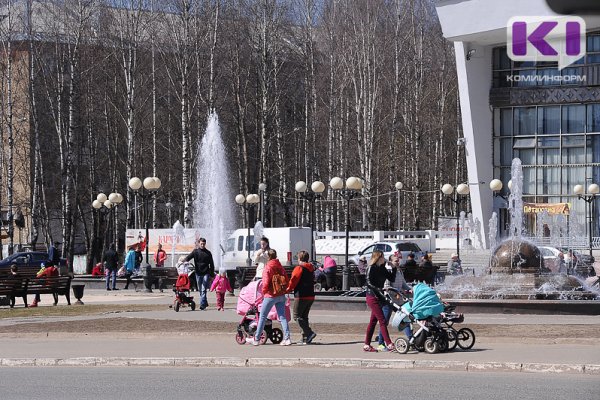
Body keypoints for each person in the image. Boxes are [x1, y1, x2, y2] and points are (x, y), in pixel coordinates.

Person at [247, 249, 292, 346]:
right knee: (282, 317)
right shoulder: (280, 266)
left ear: (268, 257)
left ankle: (256, 339)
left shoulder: (268, 267)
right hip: (280, 294)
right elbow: (286, 279)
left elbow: (266, 282)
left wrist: (264, 292)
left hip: (270, 295)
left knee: (262, 317)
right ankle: (287, 338)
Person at [363, 250, 396, 352]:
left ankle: (366, 345)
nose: (384, 259)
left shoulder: (382, 268)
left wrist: (393, 268)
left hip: (379, 296)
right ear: (378, 258)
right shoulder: (371, 268)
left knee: (373, 322)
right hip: (372, 296)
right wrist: (377, 289)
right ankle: (389, 343)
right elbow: (368, 283)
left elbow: (391, 278)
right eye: (382, 257)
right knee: (382, 321)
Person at [377, 255, 412, 350]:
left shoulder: (399, 270)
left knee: (405, 318)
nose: (398, 262)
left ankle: (411, 339)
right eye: (396, 261)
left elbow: (403, 284)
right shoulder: (388, 271)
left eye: (398, 261)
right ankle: (381, 343)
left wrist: (410, 290)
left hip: (398, 300)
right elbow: (387, 286)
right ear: (390, 261)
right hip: (388, 300)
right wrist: (396, 291)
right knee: (384, 322)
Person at [286, 250, 317, 345]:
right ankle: (305, 338)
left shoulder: (299, 268)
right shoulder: (311, 268)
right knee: (304, 317)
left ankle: (309, 333)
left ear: (300, 258)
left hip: (301, 296)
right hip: (310, 295)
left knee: (296, 316)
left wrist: (287, 289)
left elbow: (293, 281)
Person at [185, 237, 215, 310]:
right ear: (199, 243)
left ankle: (202, 305)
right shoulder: (195, 252)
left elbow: (211, 264)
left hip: (206, 273)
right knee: (200, 289)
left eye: (204, 244)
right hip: (198, 273)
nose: (202, 245)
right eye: (201, 244)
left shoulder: (208, 253)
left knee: (204, 289)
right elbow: (188, 257)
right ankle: (205, 302)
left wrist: (211, 274)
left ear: (205, 244)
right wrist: (183, 260)